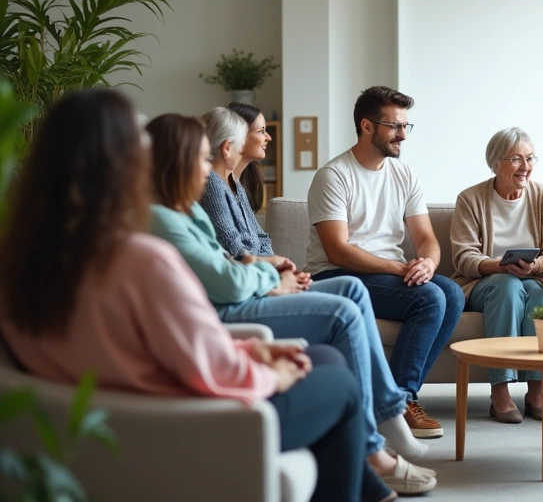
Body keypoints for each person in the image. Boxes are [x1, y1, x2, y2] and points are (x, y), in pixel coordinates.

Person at [0, 88, 387, 502]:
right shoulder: (143, 260)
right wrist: (270, 373)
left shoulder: (17, 262)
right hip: (179, 431)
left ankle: (373, 489)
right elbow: (213, 371)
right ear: (126, 166)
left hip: (90, 433)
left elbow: (144, 349)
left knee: (325, 358)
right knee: (340, 383)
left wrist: (250, 352)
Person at [144, 113, 436, 495]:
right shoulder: (169, 215)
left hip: (243, 289)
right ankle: (374, 445)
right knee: (345, 310)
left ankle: (387, 418)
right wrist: (271, 276)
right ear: (177, 163)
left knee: (358, 292)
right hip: (229, 307)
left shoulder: (192, 206)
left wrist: (271, 268)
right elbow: (228, 273)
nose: (208, 168)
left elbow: (239, 256)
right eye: (201, 158)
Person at [306, 85, 464, 438]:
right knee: (430, 297)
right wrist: (399, 267)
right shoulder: (333, 176)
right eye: (394, 126)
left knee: (451, 293)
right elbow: (337, 250)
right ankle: (399, 401)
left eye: (406, 126)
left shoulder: (404, 175)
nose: (403, 135)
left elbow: (426, 239)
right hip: (336, 275)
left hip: (387, 274)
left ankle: (396, 396)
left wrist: (427, 263)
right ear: (366, 126)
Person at [450, 127, 543, 423]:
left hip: (534, 280)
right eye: (516, 159)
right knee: (507, 285)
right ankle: (500, 390)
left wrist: (536, 266)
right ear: (495, 162)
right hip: (484, 283)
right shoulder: (470, 198)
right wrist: (497, 265)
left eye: (530, 158)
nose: (525, 166)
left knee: (539, 292)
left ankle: (536, 390)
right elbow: (463, 258)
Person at [197, 105, 273, 258]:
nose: (268, 137)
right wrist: (272, 265)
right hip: (250, 275)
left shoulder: (237, 185)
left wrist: (276, 265)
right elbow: (234, 249)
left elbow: (260, 238)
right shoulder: (212, 185)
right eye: (261, 131)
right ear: (227, 147)